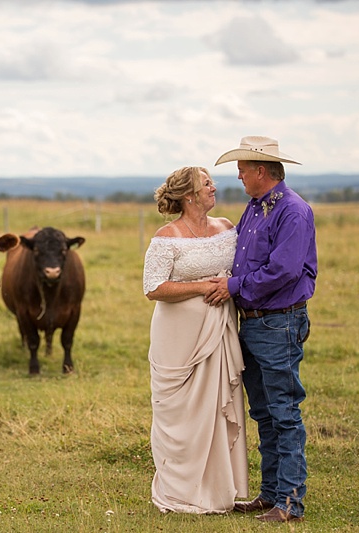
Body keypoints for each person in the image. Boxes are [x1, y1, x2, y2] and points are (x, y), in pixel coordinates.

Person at [206, 136, 317, 523]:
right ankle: (271, 495)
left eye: (241, 169)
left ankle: (290, 502)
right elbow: (241, 259)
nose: (237, 175)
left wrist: (233, 287)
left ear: (260, 171)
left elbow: (283, 270)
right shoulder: (254, 209)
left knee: (284, 412)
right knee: (264, 414)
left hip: (279, 321)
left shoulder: (293, 211)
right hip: (252, 323)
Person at [142, 166, 248, 514]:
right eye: (207, 184)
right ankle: (179, 490)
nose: (214, 187)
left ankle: (220, 488)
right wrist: (205, 286)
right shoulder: (166, 236)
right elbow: (153, 288)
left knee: (217, 407)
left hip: (218, 334)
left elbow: (241, 270)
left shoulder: (228, 228)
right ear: (189, 195)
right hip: (177, 339)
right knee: (179, 414)